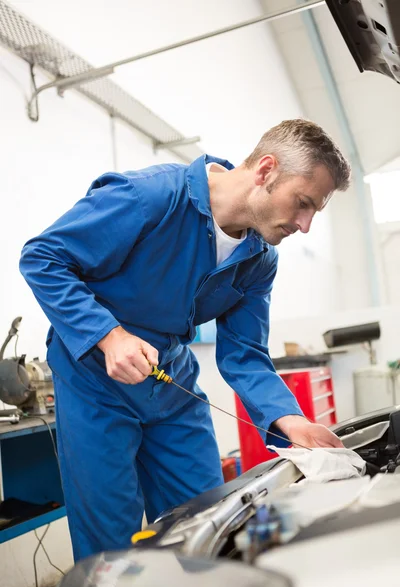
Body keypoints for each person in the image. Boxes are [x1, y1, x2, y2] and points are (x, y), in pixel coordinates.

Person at [20, 118, 351, 561]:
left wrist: (291, 420)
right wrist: (108, 335)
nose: (305, 225)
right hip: (93, 385)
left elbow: (245, 353)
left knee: (210, 522)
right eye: (303, 203)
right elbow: (43, 258)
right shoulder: (148, 198)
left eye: (314, 212)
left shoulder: (259, 260)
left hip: (171, 385)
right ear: (266, 170)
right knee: (110, 548)